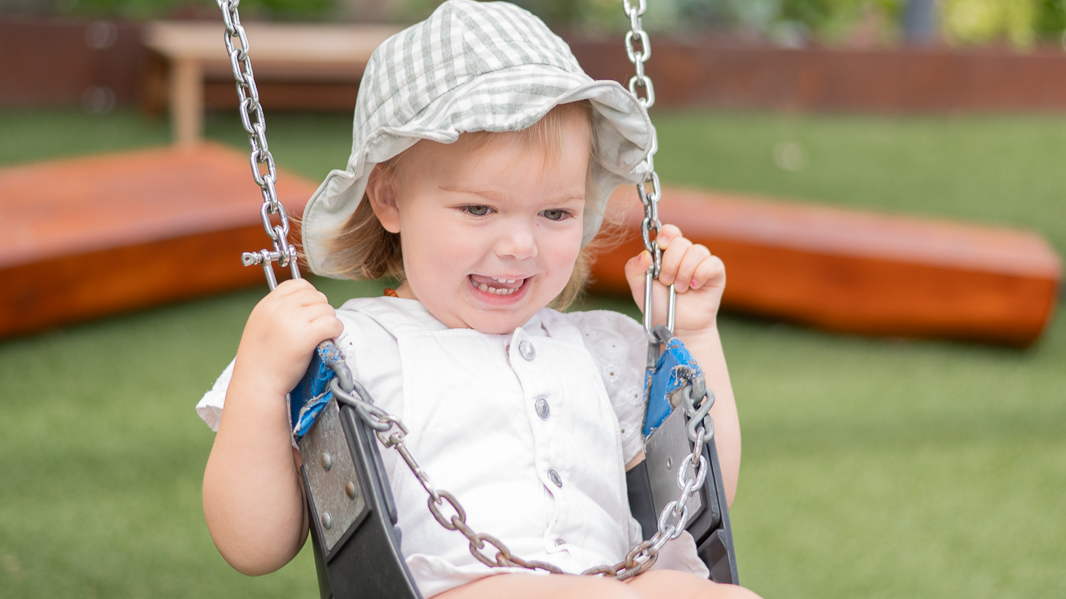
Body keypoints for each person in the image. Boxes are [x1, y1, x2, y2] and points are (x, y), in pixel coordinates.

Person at [197, 2, 759, 598]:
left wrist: (693, 334)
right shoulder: (352, 348)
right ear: (388, 200)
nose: (519, 245)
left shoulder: (599, 350)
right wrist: (260, 381)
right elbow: (252, 545)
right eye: (478, 209)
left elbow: (697, 487)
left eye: (554, 212)